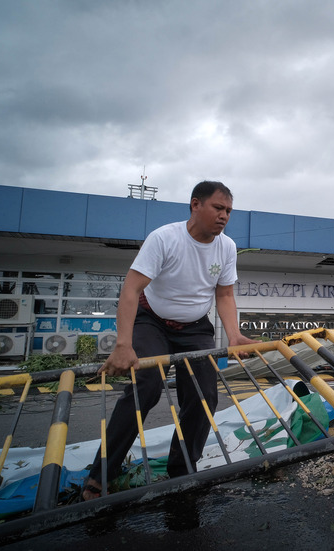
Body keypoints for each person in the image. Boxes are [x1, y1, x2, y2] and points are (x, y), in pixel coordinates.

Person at [81, 180, 258, 500]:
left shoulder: (227, 247)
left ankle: (182, 471)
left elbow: (225, 293)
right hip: (153, 323)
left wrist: (233, 335)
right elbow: (131, 289)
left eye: (229, 211)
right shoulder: (164, 238)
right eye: (218, 208)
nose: (224, 216)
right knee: (145, 385)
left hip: (195, 328)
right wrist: (123, 343)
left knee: (204, 394)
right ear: (195, 205)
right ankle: (101, 474)